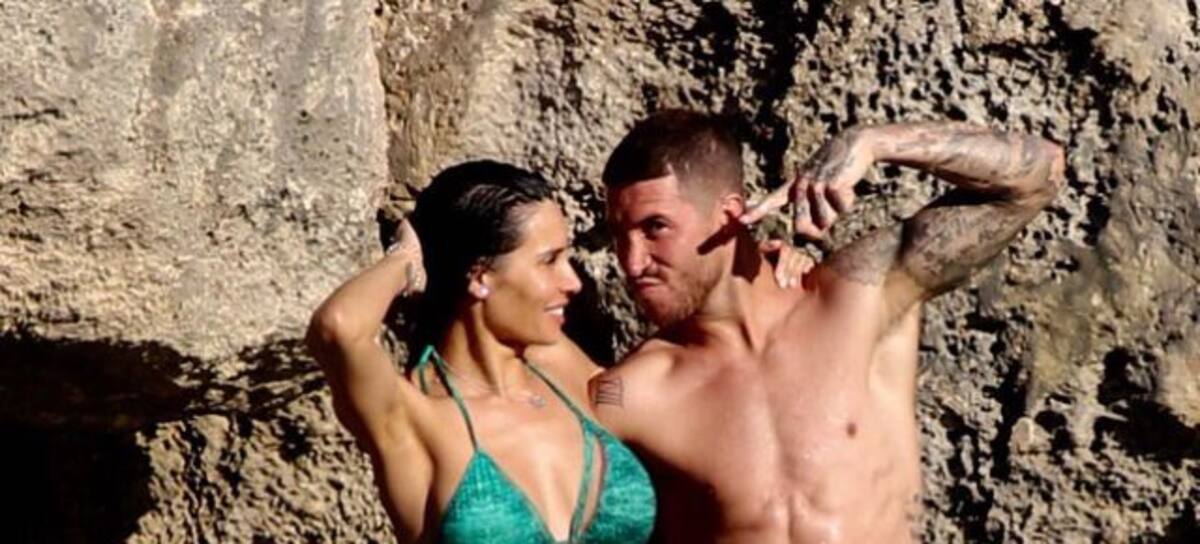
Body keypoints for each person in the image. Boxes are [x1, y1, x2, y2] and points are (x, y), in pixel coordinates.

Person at [591, 110, 1066, 543]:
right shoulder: (626, 394)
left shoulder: (859, 299)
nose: (631, 262)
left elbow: (1039, 174)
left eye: (654, 228)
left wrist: (873, 141)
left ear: (729, 217)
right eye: (618, 235)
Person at [305, 160, 810, 543]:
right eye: (549, 261)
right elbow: (339, 328)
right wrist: (407, 259)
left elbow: (688, 384)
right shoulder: (415, 420)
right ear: (480, 277)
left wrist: (755, 278)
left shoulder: (577, 382)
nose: (573, 281)